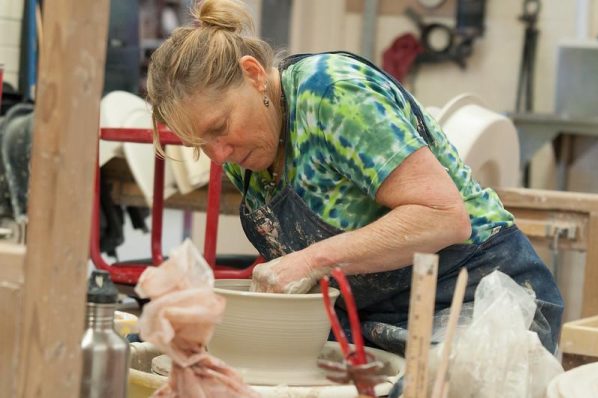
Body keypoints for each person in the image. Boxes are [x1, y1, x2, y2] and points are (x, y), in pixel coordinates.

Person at [146, 0, 563, 354]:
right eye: (201, 143)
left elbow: (443, 216)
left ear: (254, 75)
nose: (219, 155)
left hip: (483, 300)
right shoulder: (245, 148)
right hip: (374, 317)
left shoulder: (333, 94)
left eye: (219, 127)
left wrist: (311, 259)